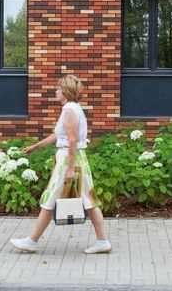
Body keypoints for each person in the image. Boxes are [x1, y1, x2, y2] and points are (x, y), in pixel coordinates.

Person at [10, 75, 112, 254]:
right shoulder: (72, 108)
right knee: (89, 200)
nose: (56, 91)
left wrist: (70, 168)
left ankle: (32, 241)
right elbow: (59, 135)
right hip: (75, 158)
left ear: (65, 91)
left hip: (69, 160)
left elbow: (72, 140)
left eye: (58, 88)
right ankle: (102, 241)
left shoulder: (69, 110)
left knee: (51, 198)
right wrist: (35, 147)